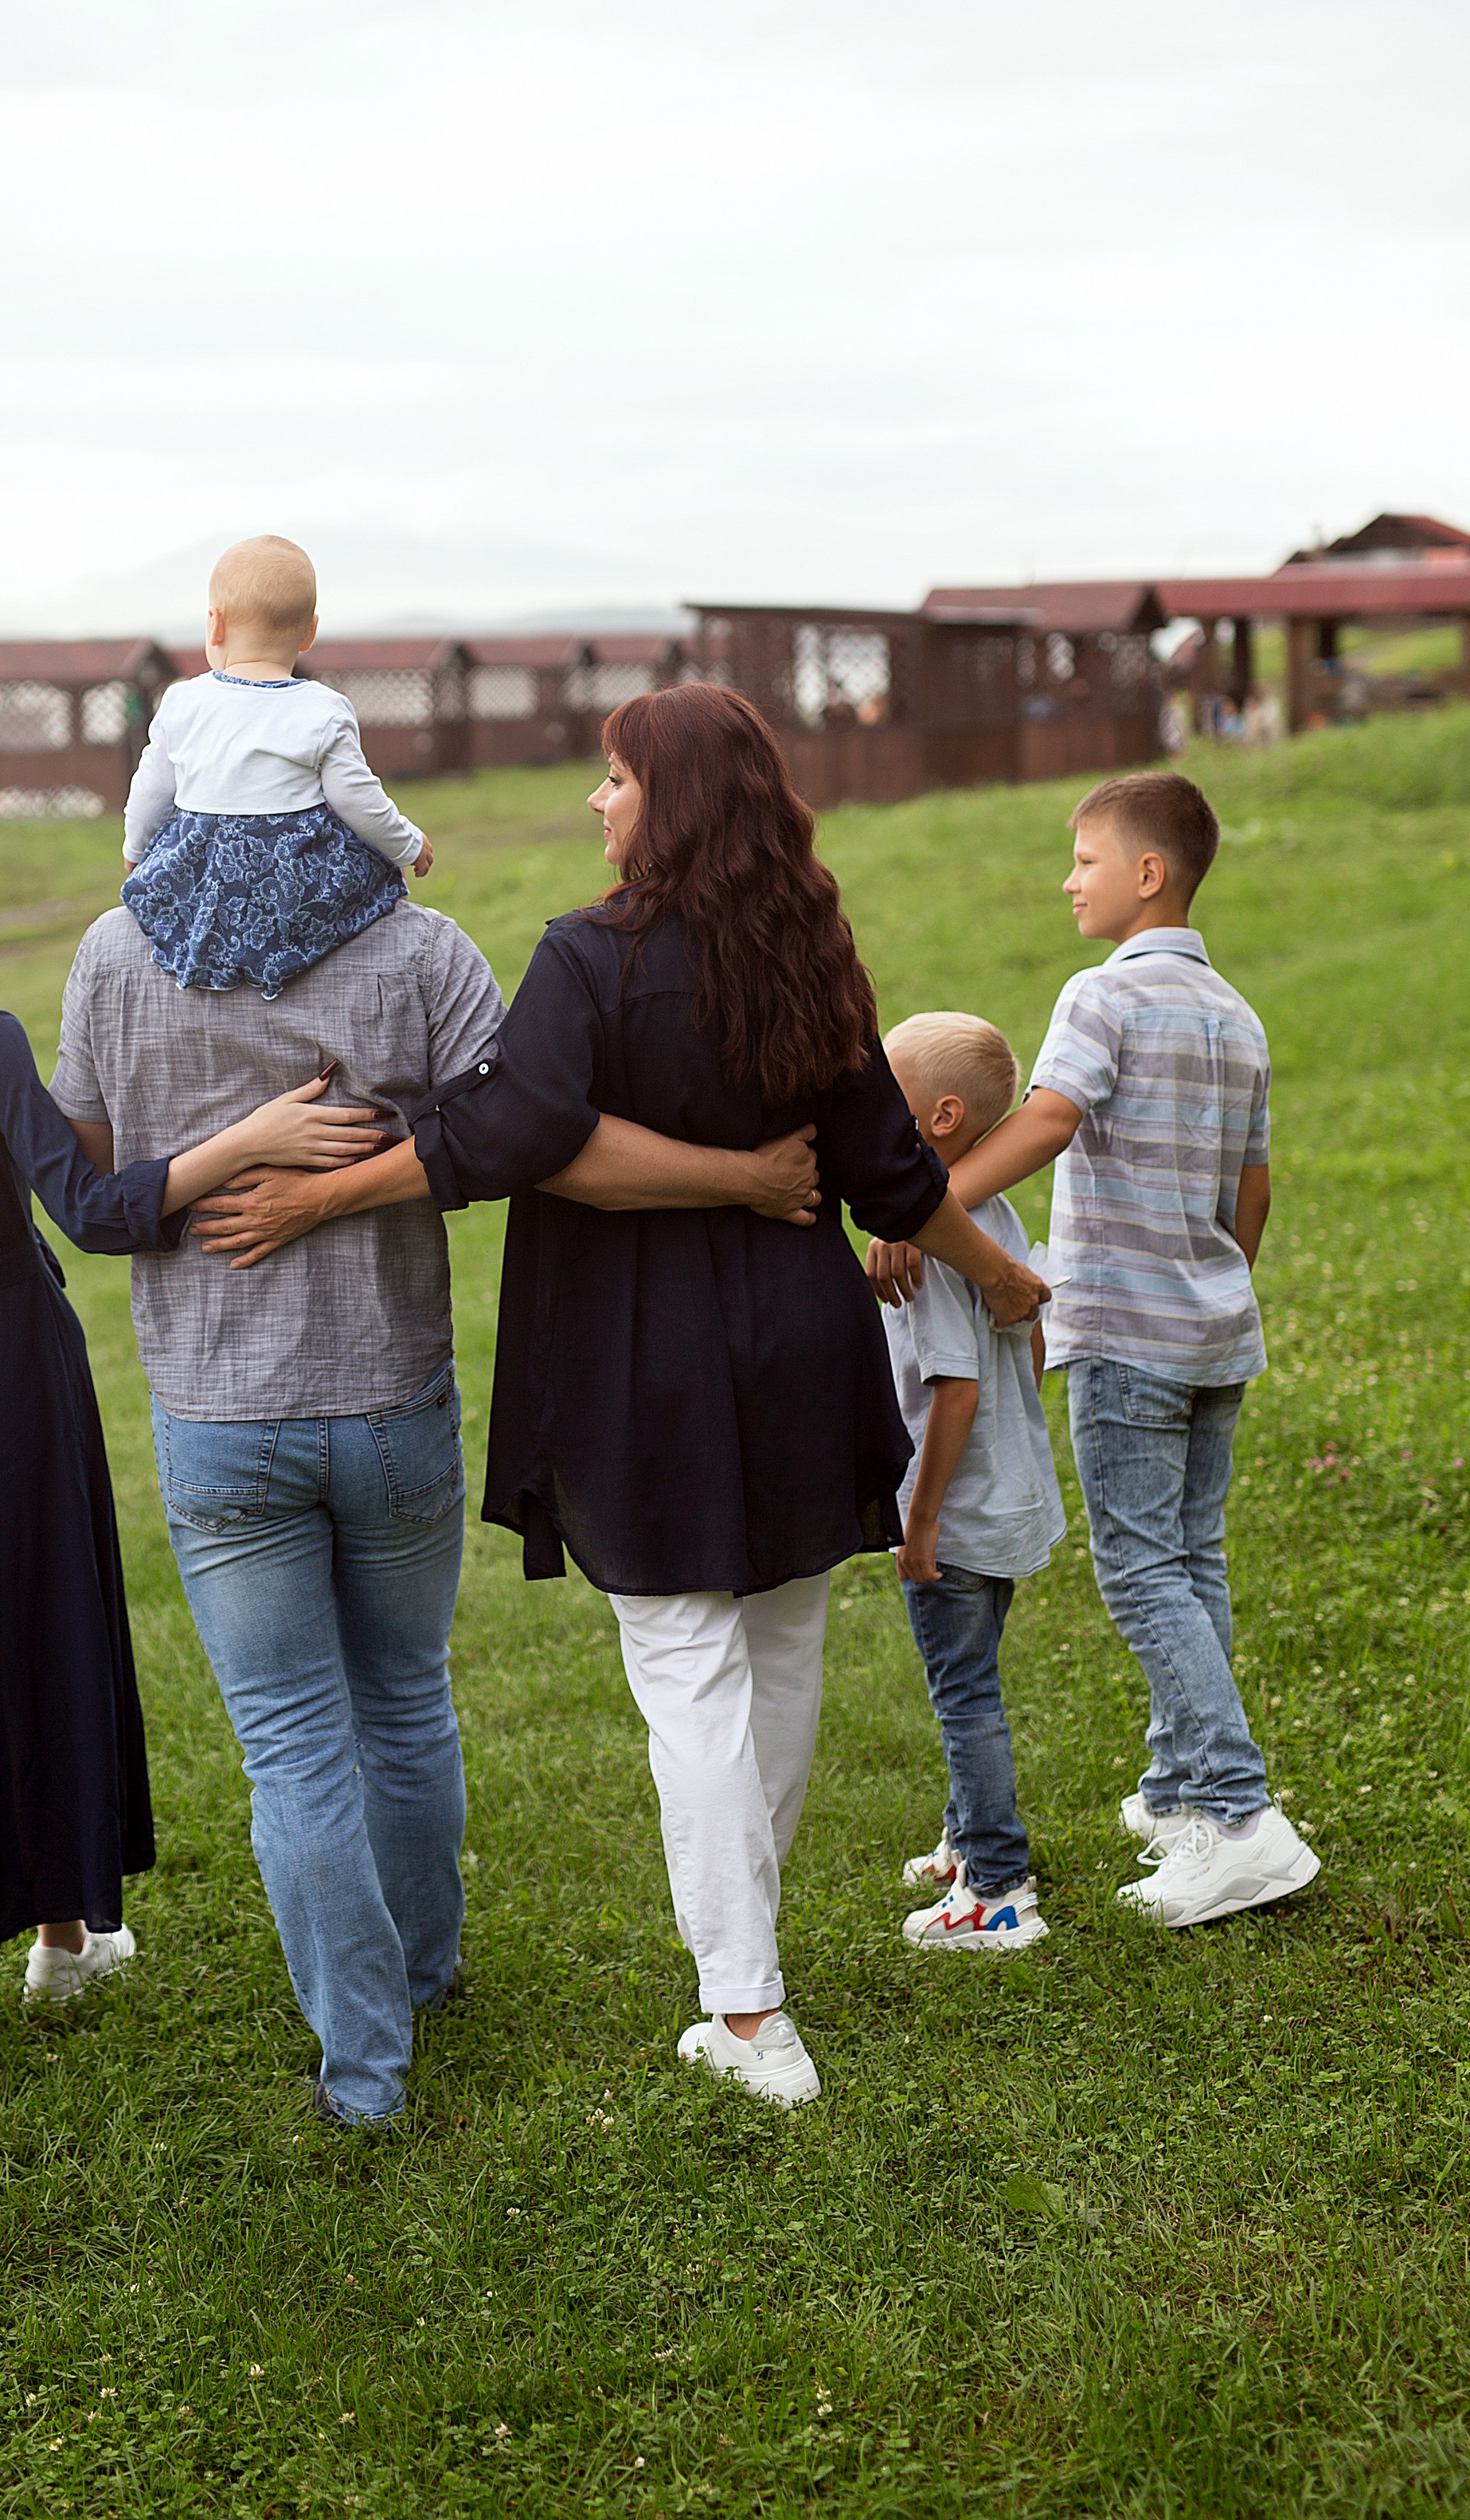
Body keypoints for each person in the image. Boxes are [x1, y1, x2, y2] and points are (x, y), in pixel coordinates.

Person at [193, 686, 1049, 2109]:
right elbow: (892, 1174)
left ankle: (751, 2012)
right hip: (797, 1339)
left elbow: (518, 1132)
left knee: (690, 1678)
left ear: (672, 800)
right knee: (776, 1652)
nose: (599, 802)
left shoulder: (586, 959)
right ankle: (749, 1972)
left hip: (643, 1356)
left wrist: (324, 1193)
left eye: (613, 778)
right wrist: (998, 1275)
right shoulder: (813, 953)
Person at [50, 859, 822, 2128]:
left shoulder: (111, 952)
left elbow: (96, 1176)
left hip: (218, 1410)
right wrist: (738, 1177)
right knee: (404, 1699)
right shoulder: (417, 949)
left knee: (293, 1745)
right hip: (388, 1396)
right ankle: (423, 1972)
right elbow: (530, 1129)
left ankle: (366, 2070)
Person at [0, 766, 387, 2118]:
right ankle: (58, 1936)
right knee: (35, 1630)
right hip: (4, 1375)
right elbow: (99, 1212)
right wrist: (257, 1137)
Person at [870, 769, 1319, 1930]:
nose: (1069, 880)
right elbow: (1253, 1192)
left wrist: (922, 1214)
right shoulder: (1238, 1013)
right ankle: (1179, 1787)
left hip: (1125, 1334)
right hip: (1216, 1327)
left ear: (1147, 874)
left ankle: (1238, 1816)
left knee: (1140, 1569)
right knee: (1194, 1557)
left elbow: (1052, 1121)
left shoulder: (1098, 998)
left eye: (1083, 860)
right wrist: (1218, 1287)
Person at [878, 1012, 1067, 1955]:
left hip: (956, 1514)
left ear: (942, 1118)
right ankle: (965, 1840)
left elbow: (952, 1390)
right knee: (974, 1675)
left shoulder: (941, 1245)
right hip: (1012, 1494)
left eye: (889, 1090)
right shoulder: (991, 1213)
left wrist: (920, 1523)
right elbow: (1026, 1343)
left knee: (963, 1693)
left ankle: (997, 1889)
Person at [119, 534, 432, 999]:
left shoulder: (183, 701)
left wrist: (136, 850)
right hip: (295, 885)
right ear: (309, 631)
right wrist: (409, 844)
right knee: (368, 878)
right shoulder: (324, 708)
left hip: (203, 871)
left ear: (216, 624)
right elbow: (358, 799)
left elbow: (150, 792)